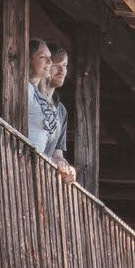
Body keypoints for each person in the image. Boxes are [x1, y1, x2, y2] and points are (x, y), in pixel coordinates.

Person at [26, 39, 76, 183]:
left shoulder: (60, 111)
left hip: (41, 173)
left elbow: (57, 153)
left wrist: (65, 166)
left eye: (65, 65)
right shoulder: (28, 91)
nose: (62, 71)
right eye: (57, 65)